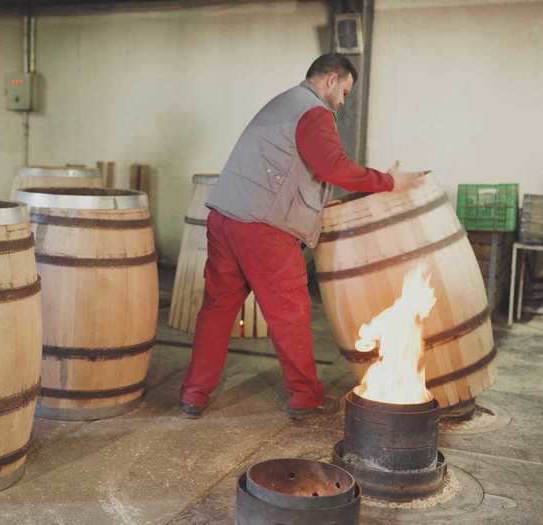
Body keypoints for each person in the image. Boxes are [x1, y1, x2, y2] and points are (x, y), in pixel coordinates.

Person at [178, 53, 427, 420]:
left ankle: (193, 395)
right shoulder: (313, 111)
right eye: (344, 92)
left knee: (217, 311)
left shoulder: (282, 104)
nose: (342, 102)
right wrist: (390, 183)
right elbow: (333, 166)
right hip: (264, 228)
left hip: (225, 216)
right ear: (330, 79)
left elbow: (302, 171)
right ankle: (305, 399)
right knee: (290, 314)